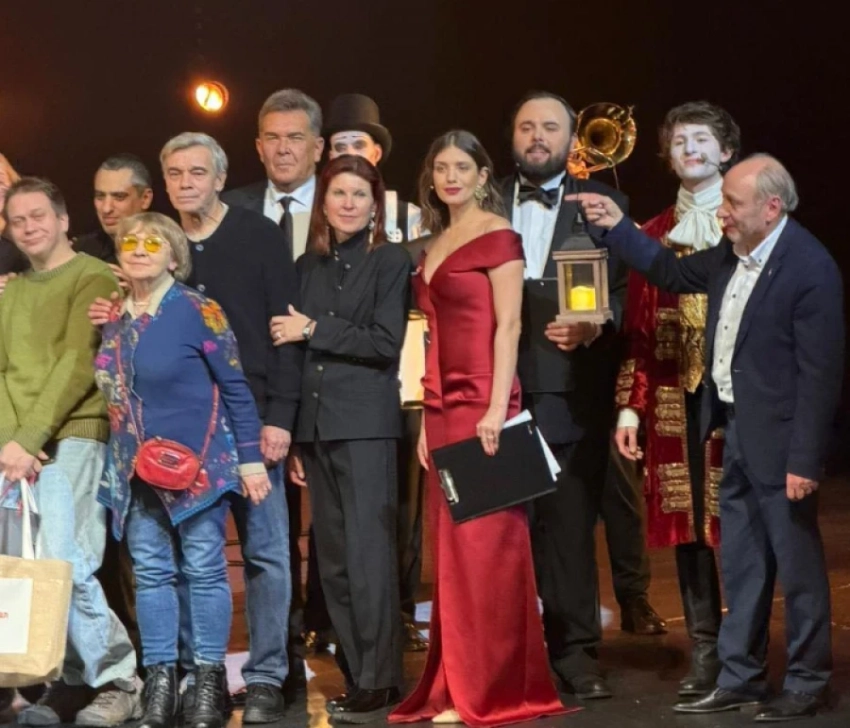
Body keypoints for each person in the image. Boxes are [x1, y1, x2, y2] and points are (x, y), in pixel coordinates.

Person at [569, 153, 844, 722]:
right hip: (735, 432)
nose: (722, 214)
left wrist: (805, 460)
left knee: (797, 571)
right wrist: (616, 227)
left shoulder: (809, 267)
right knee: (741, 563)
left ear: (771, 208)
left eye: (733, 204)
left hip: (782, 446)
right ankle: (741, 676)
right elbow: (670, 273)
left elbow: (821, 376)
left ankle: (807, 680)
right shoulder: (730, 253)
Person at [389, 131, 568, 727]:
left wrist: (498, 408)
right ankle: (454, 685)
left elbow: (509, 326)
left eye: (461, 167)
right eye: (440, 167)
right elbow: (430, 335)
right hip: (442, 410)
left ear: (482, 174)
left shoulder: (498, 235)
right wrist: (425, 414)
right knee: (452, 557)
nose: (450, 177)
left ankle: (493, 689)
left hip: (486, 407)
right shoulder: (435, 242)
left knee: (489, 553)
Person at [503, 90, 660, 699]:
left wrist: (597, 324)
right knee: (506, 532)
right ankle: (511, 653)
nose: (537, 136)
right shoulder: (483, 200)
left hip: (571, 390)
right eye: (526, 126)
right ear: (512, 136)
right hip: (499, 392)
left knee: (568, 526)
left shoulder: (605, 204)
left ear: (572, 140)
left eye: (550, 127)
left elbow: (626, 293)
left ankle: (576, 654)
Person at [94, 212, 272, 728]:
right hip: (135, 470)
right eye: (131, 242)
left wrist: (250, 459)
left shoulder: (198, 310)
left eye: (153, 243)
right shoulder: (115, 315)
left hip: (197, 470)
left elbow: (235, 386)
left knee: (204, 569)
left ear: (174, 256)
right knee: (151, 575)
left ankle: (208, 684)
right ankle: (161, 686)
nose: (139, 249)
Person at [271, 154, 410, 723]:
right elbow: (294, 356)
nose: (348, 203)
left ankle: (381, 678)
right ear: (322, 202)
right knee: (332, 563)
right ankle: (357, 674)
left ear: (375, 203)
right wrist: (298, 437)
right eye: (338, 193)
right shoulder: (307, 265)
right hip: (318, 429)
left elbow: (384, 342)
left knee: (368, 556)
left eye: (359, 194)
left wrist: (313, 328)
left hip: (366, 427)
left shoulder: (391, 260)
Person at [0, 177, 141, 727]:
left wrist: (30, 438)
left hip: (74, 433)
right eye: (18, 220)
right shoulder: (14, 292)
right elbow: (3, 371)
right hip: (20, 447)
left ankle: (120, 680)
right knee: (39, 568)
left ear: (62, 220)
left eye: (39, 215)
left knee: (67, 561)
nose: (29, 227)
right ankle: (73, 681)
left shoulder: (92, 276)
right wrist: (12, 442)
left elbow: (78, 364)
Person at [614, 101, 741, 697]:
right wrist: (629, 406)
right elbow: (639, 327)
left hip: (735, 398)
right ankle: (706, 652)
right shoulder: (651, 234)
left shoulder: (745, 222)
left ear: (726, 151)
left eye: (702, 139)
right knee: (688, 526)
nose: (690, 149)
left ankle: (744, 651)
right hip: (674, 392)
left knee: (739, 524)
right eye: (680, 141)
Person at [222, 89, 325, 682]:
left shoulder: (345, 203)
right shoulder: (230, 208)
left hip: (333, 383)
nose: (283, 149)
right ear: (258, 146)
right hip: (260, 394)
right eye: (272, 137)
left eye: (295, 137)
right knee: (270, 534)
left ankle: (335, 637)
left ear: (318, 146)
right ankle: (280, 656)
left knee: (335, 529)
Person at [324, 91, 428, 652]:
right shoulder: (321, 222)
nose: (347, 150)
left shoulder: (410, 218)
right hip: (338, 388)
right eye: (337, 143)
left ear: (377, 153)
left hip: (401, 374)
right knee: (335, 522)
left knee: (396, 510)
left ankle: (400, 610)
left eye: (357, 143)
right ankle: (331, 621)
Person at [74, 153, 154, 263]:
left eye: (119, 197)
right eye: (100, 196)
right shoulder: (81, 252)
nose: (106, 209)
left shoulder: (168, 249)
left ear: (145, 199)